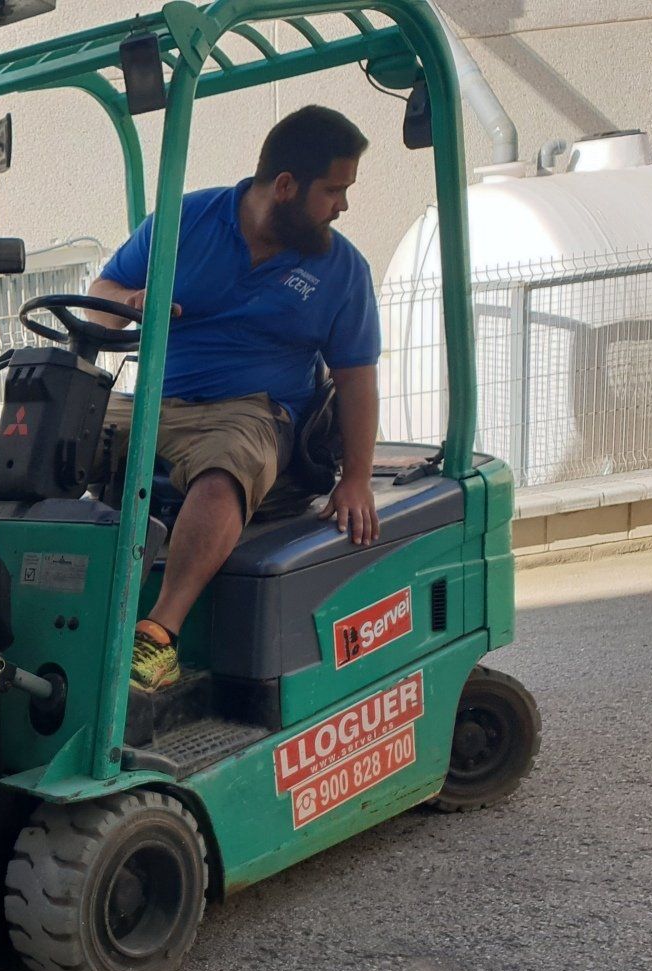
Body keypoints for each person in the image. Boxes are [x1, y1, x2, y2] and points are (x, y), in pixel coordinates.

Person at [88, 104, 382, 692]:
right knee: (49, 432)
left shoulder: (342, 269)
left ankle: (158, 635)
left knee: (225, 465)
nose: (342, 206)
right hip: (155, 400)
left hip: (253, 410)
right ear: (286, 186)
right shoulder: (186, 220)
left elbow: (356, 379)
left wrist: (357, 479)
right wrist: (131, 302)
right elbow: (102, 297)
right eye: (334, 190)